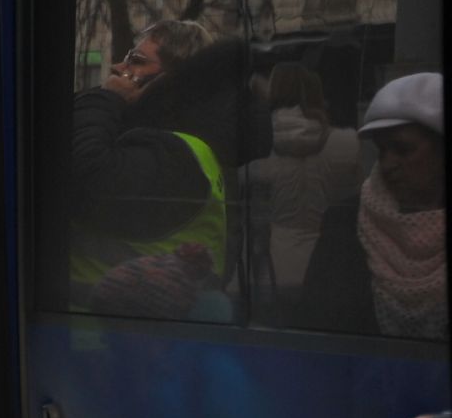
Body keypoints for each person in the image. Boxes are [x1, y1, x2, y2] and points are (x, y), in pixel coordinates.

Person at [67, 20, 262, 316]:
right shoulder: (190, 142)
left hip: (117, 330)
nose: (118, 68)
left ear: (171, 80)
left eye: (137, 61)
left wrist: (104, 100)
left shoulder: (176, 153)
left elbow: (89, 174)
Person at [301, 73, 445, 339]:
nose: (388, 164)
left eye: (403, 150)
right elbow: (318, 325)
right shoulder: (346, 224)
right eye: (382, 150)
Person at [243, 64, 360, 312]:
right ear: (319, 94)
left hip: (273, 269)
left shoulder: (259, 146)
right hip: (330, 266)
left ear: (274, 94)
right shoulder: (348, 144)